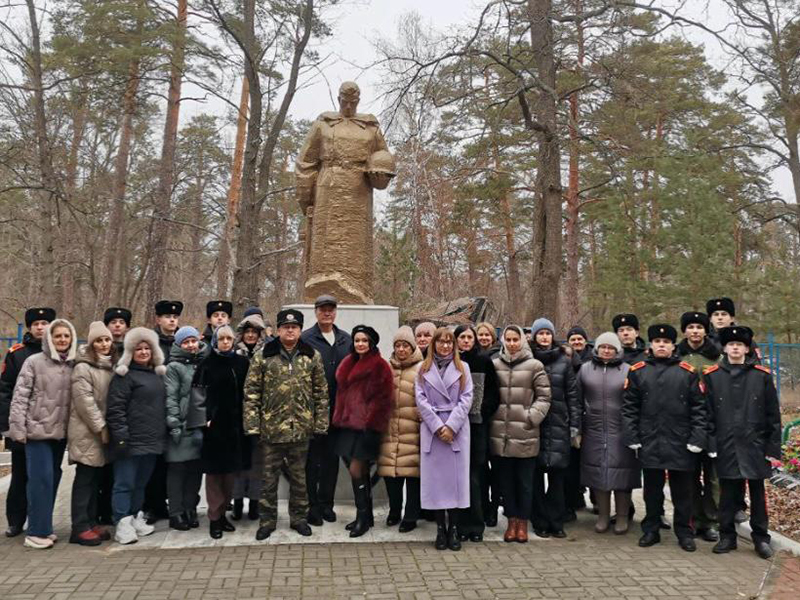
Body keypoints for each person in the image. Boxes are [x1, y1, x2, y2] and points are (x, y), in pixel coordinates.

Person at [244, 309, 329, 540]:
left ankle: (299, 518)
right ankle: (267, 521)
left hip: (301, 429)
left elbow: (321, 393)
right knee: (268, 480)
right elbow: (252, 393)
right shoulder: (263, 355)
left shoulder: (312, 355)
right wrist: (252, 426)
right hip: (271, 430)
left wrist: (321, 424)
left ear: (300, 330)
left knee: (299, 478)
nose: (290, 330)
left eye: (294, 327)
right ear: (279, 329)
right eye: (285, 327)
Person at [622, 324, 707, 552]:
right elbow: (629, 408)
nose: (661, 345)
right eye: (657, 341)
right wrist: (632, 436)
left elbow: (699, 409)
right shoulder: (638, 371)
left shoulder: (687, 372)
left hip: (681, 441)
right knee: (652, 490)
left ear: (672, 345)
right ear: (651, 345)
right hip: (650, 440)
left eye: (666, 342)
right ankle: (651, 529)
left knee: (684, 492)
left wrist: (697, 438)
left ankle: (684, 532)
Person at [704, 326, 781, 560]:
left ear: (747, 349)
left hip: (755, 445)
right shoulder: (712, 376)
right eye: (731, 344)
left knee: (758, 496)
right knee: (727, 495)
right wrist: (712, 444)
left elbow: (773, 417)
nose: (735, 348)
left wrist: (772, 448)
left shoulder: (762, 376)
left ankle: (761, 538)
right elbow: (706, 415)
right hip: (726, 444)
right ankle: (727, 536)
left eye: (740, 345)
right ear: (725, 348)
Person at [8, 318, 77, 549]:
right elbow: (20, 397)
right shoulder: (34, 362)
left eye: (66, 336)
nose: (62, 340)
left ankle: (44, 527)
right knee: (41, 479)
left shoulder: (73, 364)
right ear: (49, 338)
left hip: (59, 434)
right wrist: (17, 429)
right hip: (36, 431)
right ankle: (35, 531)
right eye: (58, 336)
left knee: (53, 478)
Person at [106, 328, 168, 545]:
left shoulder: (156, 376)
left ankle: (134, 515)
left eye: (147, 348)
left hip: (152, 440)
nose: (143, 352)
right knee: (124, 483)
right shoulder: (124, 377)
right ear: (130, 352)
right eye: (138, 349)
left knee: (141, 483)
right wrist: (121, 437)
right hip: (130, 441)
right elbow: (116, 409)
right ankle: (121, 521)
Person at [490, 325, 551, 544]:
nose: (512, 343)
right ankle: (511, 522)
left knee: (525, 484)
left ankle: (523, 523)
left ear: (522, 341)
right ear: (503, 340)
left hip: (525, 434)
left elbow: (544, 397)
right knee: (505, 483)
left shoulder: (535, 365)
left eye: (516, 339)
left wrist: (531, 417)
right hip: (501, 436)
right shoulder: (495, 364)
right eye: (509, 339)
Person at [415, 327, 474, 551]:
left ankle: (454, 529)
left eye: (450, 342)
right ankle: (440, 529)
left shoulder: (463, 368)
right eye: (441, 342)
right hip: (433, 430)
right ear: (434, 344)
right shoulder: (423, 368)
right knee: (437, 484)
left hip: (456, 431)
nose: (446, 346)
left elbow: (467, 398)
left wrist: (451, 426)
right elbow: (420, 400)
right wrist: (439, 427)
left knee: (456, 484)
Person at [332, 325, 393, 537]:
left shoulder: (379, 366)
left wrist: (371, 424)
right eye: (357, 340)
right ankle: (366, 517)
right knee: (359, 471)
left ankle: (362, 518)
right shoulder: (347, 363)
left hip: (367, 428)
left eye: (364, 341)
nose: (360, 344)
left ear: (371, 343)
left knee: (357, 470)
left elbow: (383, 400)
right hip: (347, 426)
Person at [0, 306, 55, 538]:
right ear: (30, 327)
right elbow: (4, 391)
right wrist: (9, 427)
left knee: (45, 477)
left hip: (48, 426)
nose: (41, 328)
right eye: (36, 324)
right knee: (21, 475)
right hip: (22, 426)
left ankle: (40, 520)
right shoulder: (17, 353)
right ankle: (15, 521)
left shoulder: (59, 352)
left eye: (45, 324)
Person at [577, 332, 640, 535]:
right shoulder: (586, 370)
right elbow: (576, 400)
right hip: (593, 430)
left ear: (617, 350)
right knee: (598, 473)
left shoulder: (628, 371)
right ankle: (603, 515)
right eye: (602, 347)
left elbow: (636, 401)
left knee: (621, 474)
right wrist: (577, 428)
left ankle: (622, 516)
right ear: (596, 348)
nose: (606, 350)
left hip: (620, 430)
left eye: (610, 348)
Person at [300, 294, 352, 526]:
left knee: (332, 462)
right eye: (323, 309)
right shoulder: (306, 339)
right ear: (316, 312)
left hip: (339, 412)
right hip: (313, 412)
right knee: (312, 462)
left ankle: (326, 505)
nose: (327, 313)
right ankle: (312, 507)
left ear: (336, 312)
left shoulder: (346, 340)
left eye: (331, 309)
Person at [197, 325, 252, 539]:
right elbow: (198, 396)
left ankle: (223, 514)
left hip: (236, 428)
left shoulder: (241, 363)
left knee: (230, 474)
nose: (226, 342)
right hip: (213, 428)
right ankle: (214, 518)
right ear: (215, 341)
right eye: (222, 339)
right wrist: (204, 419)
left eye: (229, 338)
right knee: (214, 476)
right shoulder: (207, 365)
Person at [529, 318, 581, 539]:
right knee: (536, 477)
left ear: (552, 336)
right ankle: (539, 520)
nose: (544, 337)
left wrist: (575, 425)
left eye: (547, 333)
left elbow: (573, 395)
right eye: (540, 333)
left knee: (558, 478)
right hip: (534, 426)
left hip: (560, 424)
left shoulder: (564, 361)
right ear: (534, 336)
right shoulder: (529, 359)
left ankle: (556, 521)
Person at [68, 321, 118, 546]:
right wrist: (101, 427)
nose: (104, 344)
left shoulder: (110, 365)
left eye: (106, 339)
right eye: (99, 340)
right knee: (85, 479)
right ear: (91, 344)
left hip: (104, 432)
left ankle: (90, 521)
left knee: (96, 479)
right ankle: (79, 527)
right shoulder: (83, 368)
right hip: (88, 432)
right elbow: (85, 403)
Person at [677, 311, 721, 543]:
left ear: (706, 330)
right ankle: (693, 518)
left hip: (714, 422)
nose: (695, 331)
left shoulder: (717, 356)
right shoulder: (677, 354)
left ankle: (711, 521)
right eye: (691, 327)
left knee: (713, 476)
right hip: (686, 424)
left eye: (699, 327)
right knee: (689, 476)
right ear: (685, 330)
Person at [454, 325, 500, 543]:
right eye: (461, 337)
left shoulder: (483, 361)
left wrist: (481, 411)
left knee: (476, 476)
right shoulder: (450, 362)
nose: (465, 341)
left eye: (469, 337)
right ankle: (460, 523)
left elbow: (494, 393)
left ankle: (476, 524)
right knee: (458, 477)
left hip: (476, 426)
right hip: (453, 427)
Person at [378, 326, 424, 533]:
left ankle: (411, 515)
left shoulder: (422, 368)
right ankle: (394, 511)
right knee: (391, 475)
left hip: (413, 428)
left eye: (405, 345)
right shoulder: (387, 368)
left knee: (413, 476)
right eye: (398, 345)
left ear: (412, 347)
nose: (401, 349)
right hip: (390, 429)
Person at [164, 326, 207, 531]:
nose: (191, 345)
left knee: (195, 471)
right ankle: (176, 512)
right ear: (179, 345)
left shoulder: (203, 363)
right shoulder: (174, 367)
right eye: (186, 342)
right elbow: (170, 395)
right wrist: (173, 421)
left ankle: (191, 508)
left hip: (199, 424)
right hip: (181, 424)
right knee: (177, 470)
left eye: (193, 341)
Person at [145, 300, 183, 524]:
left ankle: (168, 504)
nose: (171, 320)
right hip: (154, 408)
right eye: (167, 316)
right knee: (154, 462)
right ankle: (151, 505)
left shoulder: (183, 342)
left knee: (173, 462)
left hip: (177, 410)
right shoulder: (149, 343)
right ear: (158, 319)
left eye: (175, 317)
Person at [231, 311, 268, 520]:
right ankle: (237, 502)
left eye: (255, 332)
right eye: (248, 331)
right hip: (237, 415)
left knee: (257, 463)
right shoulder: (234, 353)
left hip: (261, 416)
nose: (251, 335)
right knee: (238, 462)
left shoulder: (267, 353)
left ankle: (255, 503)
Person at [475, 320, 501, 526]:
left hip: (500, 420)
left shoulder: (500, 355)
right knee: (482, 469)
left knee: (497, 467)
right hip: (482, 422)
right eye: (480, 334)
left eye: (487, 334)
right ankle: (483, 507)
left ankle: (494, 507)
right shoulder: (473, 357)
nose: (483, 338)